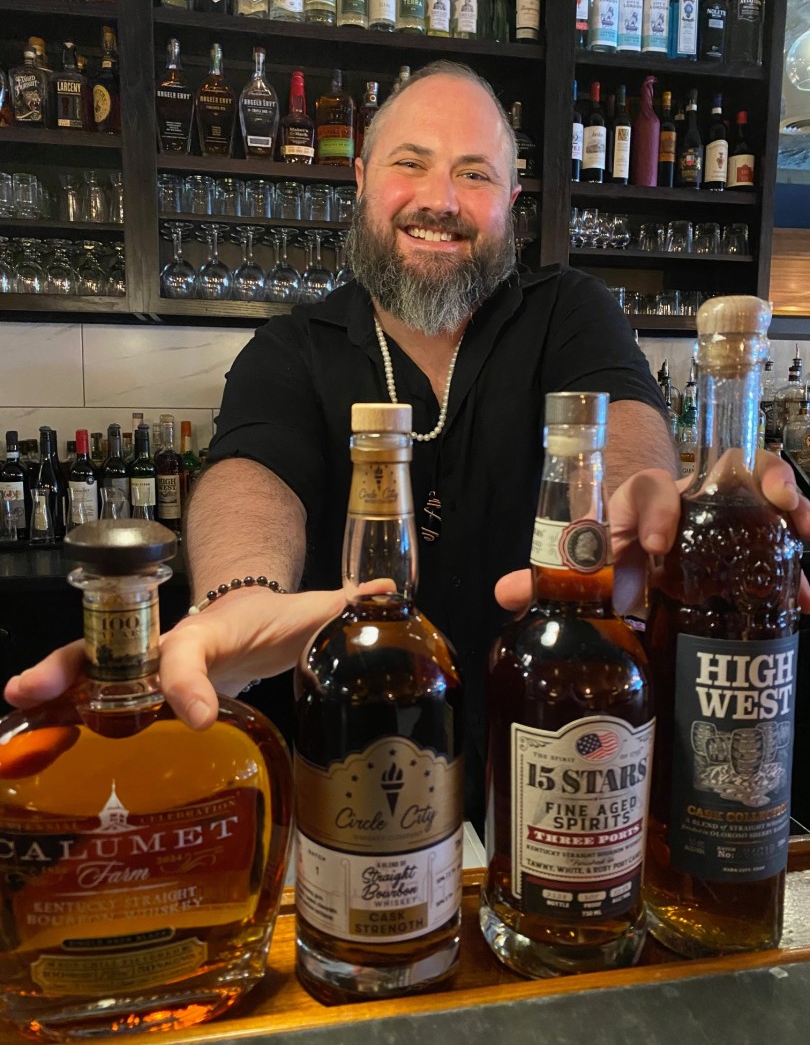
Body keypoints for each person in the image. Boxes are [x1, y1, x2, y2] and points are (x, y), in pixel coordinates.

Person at [6, 63, 809, 828]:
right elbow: (253, 471)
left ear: (512, 200)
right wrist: (239, 595)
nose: (440, 200)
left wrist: (635, 505)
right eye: (411, 164)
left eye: (474, 174)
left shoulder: (569, 311)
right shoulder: (293, 347)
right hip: (347, 799)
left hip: (554, 786)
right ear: (361, 180)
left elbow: (623, 418)